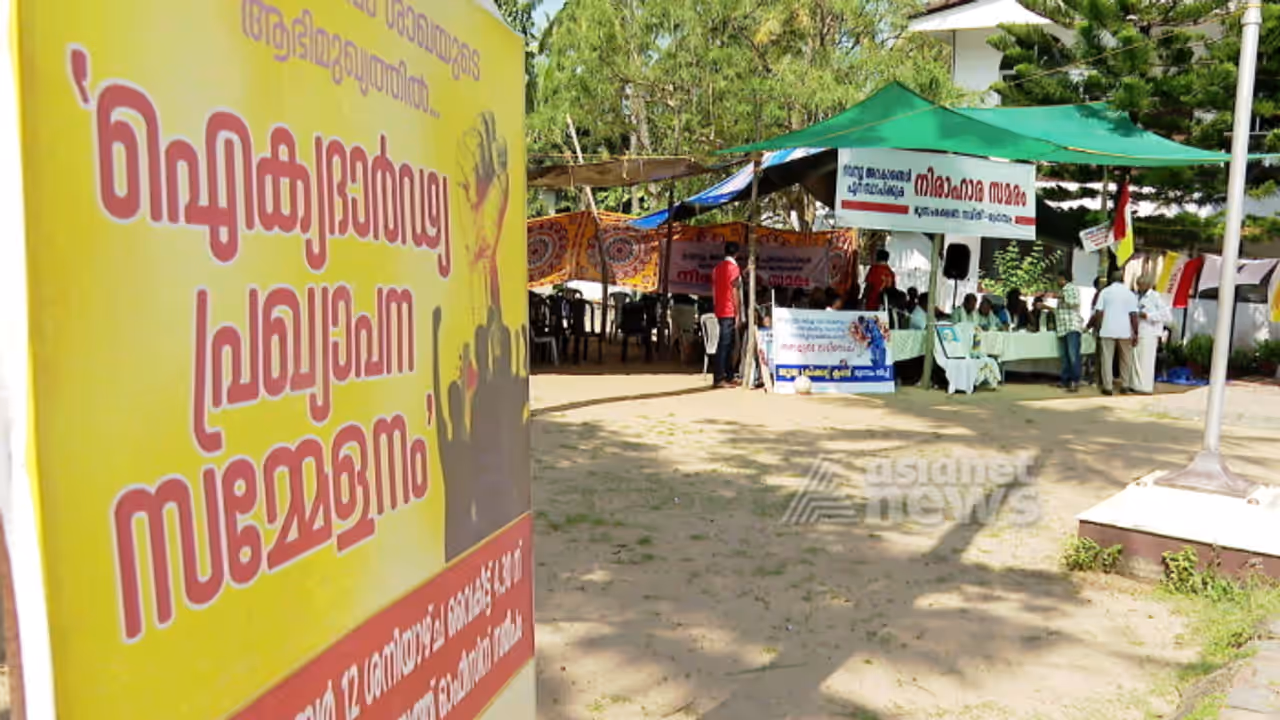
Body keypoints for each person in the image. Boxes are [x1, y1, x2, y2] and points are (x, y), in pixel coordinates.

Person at [1092, 270, 1140, 395]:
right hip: (1125, 331)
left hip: (1107, 329)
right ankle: (1125, 385)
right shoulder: (1129, 294)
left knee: (1107, 359)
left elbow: (1099, 312)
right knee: (1126, 359)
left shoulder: (1105, 292)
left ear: (1111, 280)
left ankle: (1108, 387)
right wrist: (1136, 332)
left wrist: (1097, 328)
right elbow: (1134, 315)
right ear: (1123, 280)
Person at [1133, 275, 1171, 394]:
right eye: (1138, 284)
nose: (1139, 287)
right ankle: (1135, 385)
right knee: (1136, 359)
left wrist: (1149, 316)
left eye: (1141, 284)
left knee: (1146, 361)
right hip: (1138, 331)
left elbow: (1167, 316)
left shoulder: (1156, 297)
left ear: (1148, 285)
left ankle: (1145, 387)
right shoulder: (1136, 296)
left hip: (1150, 332)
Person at [711, 241, 742, 388]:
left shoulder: (717, 268)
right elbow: (735, 291)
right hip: (729, 310)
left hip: (720, 309)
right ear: (737, 253)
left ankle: (729, 375)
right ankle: (719, 378)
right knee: (724, 345)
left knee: (727, 344)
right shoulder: (734, 268)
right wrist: (738, 312)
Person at [1054, 273, 1085, 392]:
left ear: (1063, 278)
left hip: (1071, 326)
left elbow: (1075, 303)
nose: (1057, 281)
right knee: (1065, 356)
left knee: (1073, 355)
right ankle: (1065, 380)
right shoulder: (1063, 290)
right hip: (1063, 327)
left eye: (1058, 278)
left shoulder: (1071, 288)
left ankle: (1074, 381)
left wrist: (1062, 297)